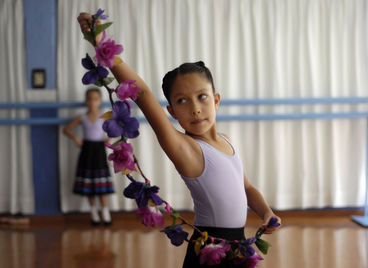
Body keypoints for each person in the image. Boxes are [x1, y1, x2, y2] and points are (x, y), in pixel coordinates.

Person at [77, 13, 281, 267]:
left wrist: (266, 212)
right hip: (208, 251)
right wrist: (101, 43)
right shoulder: (185, 148)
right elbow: (141, 93)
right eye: (182, 101)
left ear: (216, 100)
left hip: (237, 247)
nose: (195, 108)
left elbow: (247, 189)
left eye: (202, 97)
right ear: (171, 112)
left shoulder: (227, 141)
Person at [63, 88, 114, 226]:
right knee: (89, 184)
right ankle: (93, 213)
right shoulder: (82, 117)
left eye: (95, 99)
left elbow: (114, 129)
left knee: (101, 183)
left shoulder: (104, 117)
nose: (92, 102)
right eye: (90, 99)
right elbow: (66, 129)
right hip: (86, 151)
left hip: (99, 151)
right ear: (86, 101)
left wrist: (109, 138)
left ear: (100, 101)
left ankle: (105, 212)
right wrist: (75, 138)